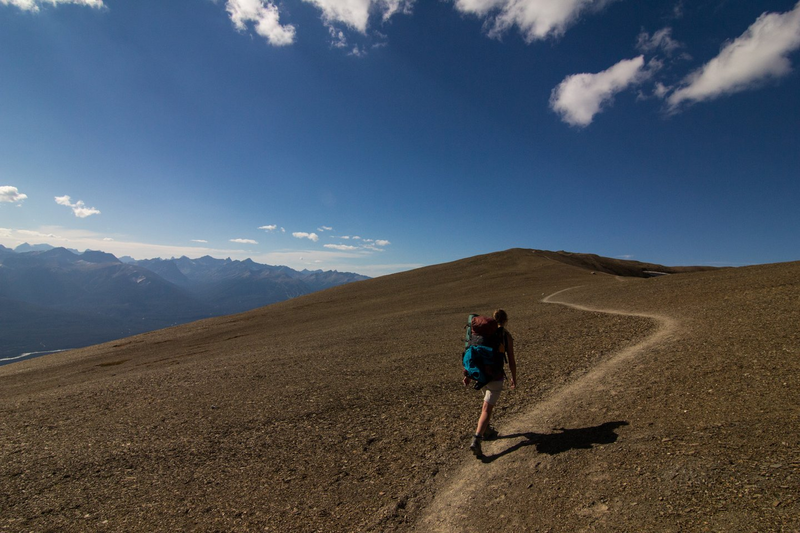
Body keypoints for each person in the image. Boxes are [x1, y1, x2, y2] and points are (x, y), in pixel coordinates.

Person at [469, 309, 516, 457]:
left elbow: (471, 351)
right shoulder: (505, 336)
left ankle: (487, 430)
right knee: (486, 409)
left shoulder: (484, 335)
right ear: (505, 320)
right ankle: (476, 439)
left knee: (485, 402)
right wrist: (513, 377)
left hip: (481, 375)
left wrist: (468, 374)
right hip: (495, 376)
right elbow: (511, 361)